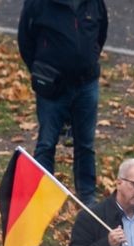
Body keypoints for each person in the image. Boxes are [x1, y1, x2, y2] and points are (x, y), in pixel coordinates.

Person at [17, 0, 108, 205]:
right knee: (47, 143)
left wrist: (89, 59)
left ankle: (87, 196)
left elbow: (101, 33)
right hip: (53, 87)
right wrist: (41, 69)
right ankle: (43, 196)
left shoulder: (94, 3)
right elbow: (25, 40)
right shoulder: (37, 4)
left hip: (86, 84)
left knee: (85, 143)